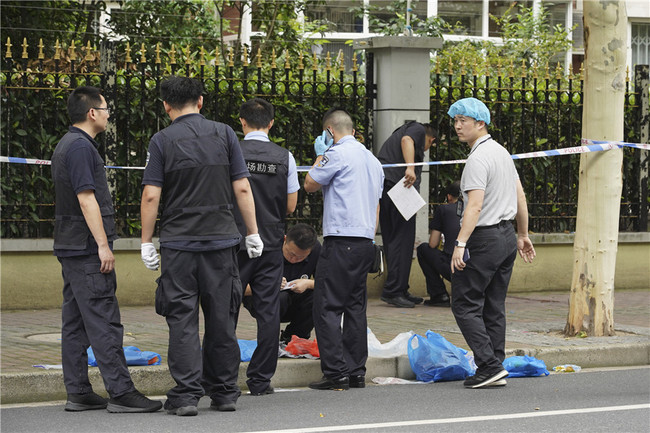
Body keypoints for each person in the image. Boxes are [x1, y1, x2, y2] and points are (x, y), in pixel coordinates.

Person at [140, 77, 262, 416]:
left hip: (179, 246)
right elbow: (241, 188)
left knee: (182, 320)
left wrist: (146, 242)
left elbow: (151, 194)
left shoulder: (161, 140)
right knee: (222, 318)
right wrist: (252, 232)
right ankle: (224, 393)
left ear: (166, 105)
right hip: (222, 243)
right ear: (201, 101)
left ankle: (186, 395)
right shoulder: (225, 134)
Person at [51, 86, 162, 413]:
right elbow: (87, 199)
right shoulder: (82, 148)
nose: (108, 113)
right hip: (86, 249)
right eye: (105, 108)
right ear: (92, 113)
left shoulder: (66, 144)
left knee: (76, 322)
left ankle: (78, 391)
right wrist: (102, 245)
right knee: (103, 320)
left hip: (70, 245)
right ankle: (121, 392)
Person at [447, 97, 536, 389]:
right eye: (455, 120)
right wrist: (522, 234)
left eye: (463, 121)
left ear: (480, 123)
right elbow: (519, 196)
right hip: (506, 237)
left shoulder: (478, 158)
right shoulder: (502, 153)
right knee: (493, 305)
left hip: (483, 239)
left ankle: (488, 364)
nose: (457, 126)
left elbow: (474, 206)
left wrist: (460, 243)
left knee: (464, 303)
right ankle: (494, 365)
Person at [304, 109, 384, 391]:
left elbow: (310, 183)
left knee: (326, 306)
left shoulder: (335, 154)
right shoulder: (373, 161)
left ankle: (336, 372)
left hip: (340, 240)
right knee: (354, 308)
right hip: (364, 241)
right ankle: (356, 372)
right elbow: (376, 204)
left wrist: (320, 154)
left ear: (329, 131)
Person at [234, 97, 299, 396]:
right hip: (272, 243)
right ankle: (260, 379)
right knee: (269, 311)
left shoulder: (231, 151)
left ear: (242, 122)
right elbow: (291, 205)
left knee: (226, 307)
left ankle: (221, 376)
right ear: (271, 123)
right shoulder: (285, 156)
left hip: (235, 240)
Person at [377, 121, 437, 308]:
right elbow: (407, 140)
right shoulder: (417, 129)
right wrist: (410, 167)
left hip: (390, 187)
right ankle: (394, 291)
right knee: (401, 241)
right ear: (431, 140)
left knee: (396, 239)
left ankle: (400, 288)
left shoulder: (401, 132)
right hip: (397, 188)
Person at [243, 224, 321, 344]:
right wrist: (268, 284)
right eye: (291, 254)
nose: (294, 259)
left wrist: (308, 283)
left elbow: (328, 284)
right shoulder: (267, 246)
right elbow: (239, 287)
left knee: (317, 297)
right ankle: (269, 339)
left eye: (301, 257)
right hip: (262, 298)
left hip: (295, 301)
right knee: (280, 297)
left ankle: (294, 338)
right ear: (284, 240)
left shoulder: (316, 250)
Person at [416, 180, 461, 307]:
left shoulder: (444, 209)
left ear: (449, 197)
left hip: (454, 266)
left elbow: (432, 244)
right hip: (477, 269)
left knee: (423, 249)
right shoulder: (478, 209)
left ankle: (439, 294)